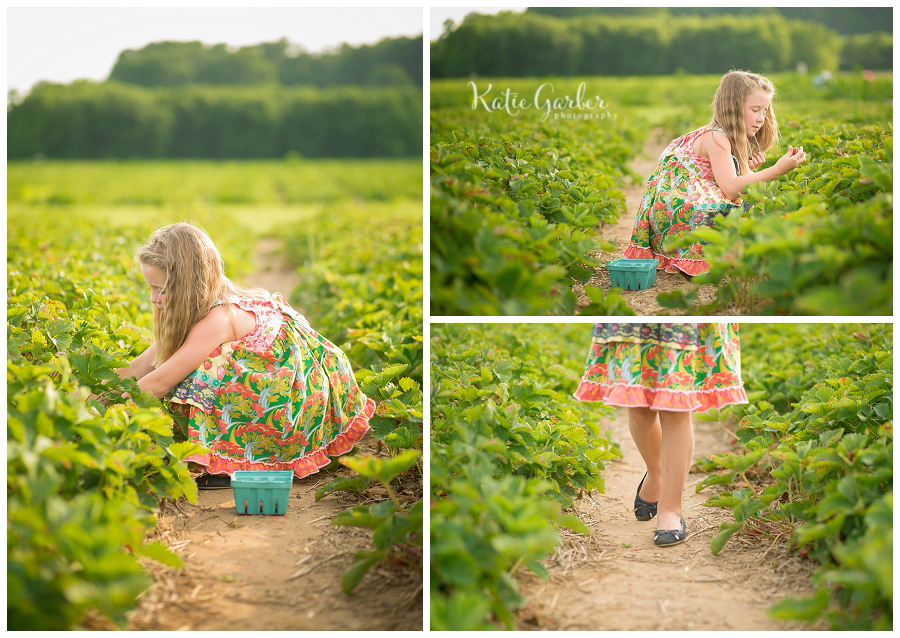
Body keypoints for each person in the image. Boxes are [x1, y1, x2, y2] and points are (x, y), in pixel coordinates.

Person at [116, 222, 375, 488]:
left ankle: (243, 459)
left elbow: (160, 381)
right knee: (197, 362)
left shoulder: (218, 319)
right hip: (289, 383)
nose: (153, 298)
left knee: (208, 367)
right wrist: (96, 388)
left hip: (294, 398)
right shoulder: (202, 301)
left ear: (188, 285)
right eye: (151, 288)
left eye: (161, 289)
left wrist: (109, 410)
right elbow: (142, 365)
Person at [574, 323, 748, 547]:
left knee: (675, 405)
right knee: (638, 409)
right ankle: (656, 474)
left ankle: (670, 509)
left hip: (679, 328)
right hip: (633, 329)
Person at [624, 70, 808, 277]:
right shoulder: (717, 137)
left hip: (679, 201)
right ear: (734, 108)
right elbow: (729, 189)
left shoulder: (726, 135)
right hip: (677, 206)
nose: (761, 118)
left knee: (749, 204)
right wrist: (775, 171)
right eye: (755, 110)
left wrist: (747, 168)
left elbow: (728, 181)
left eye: (764, 111)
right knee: (735, 209)